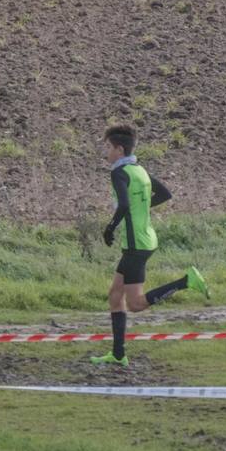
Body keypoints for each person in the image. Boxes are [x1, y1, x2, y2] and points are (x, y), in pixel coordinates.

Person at [91, 124, 208, 368]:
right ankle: (118, 354)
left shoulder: (119, 173)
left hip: (137, 245)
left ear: (120, 149)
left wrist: (109, 228)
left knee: (135, 304)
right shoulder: (139, 170)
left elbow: (123, 205)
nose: (107, 153)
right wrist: (140, 208)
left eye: (109, 148)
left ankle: (186, 281)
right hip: (144, 240)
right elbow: (165, 194)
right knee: (115, 295)